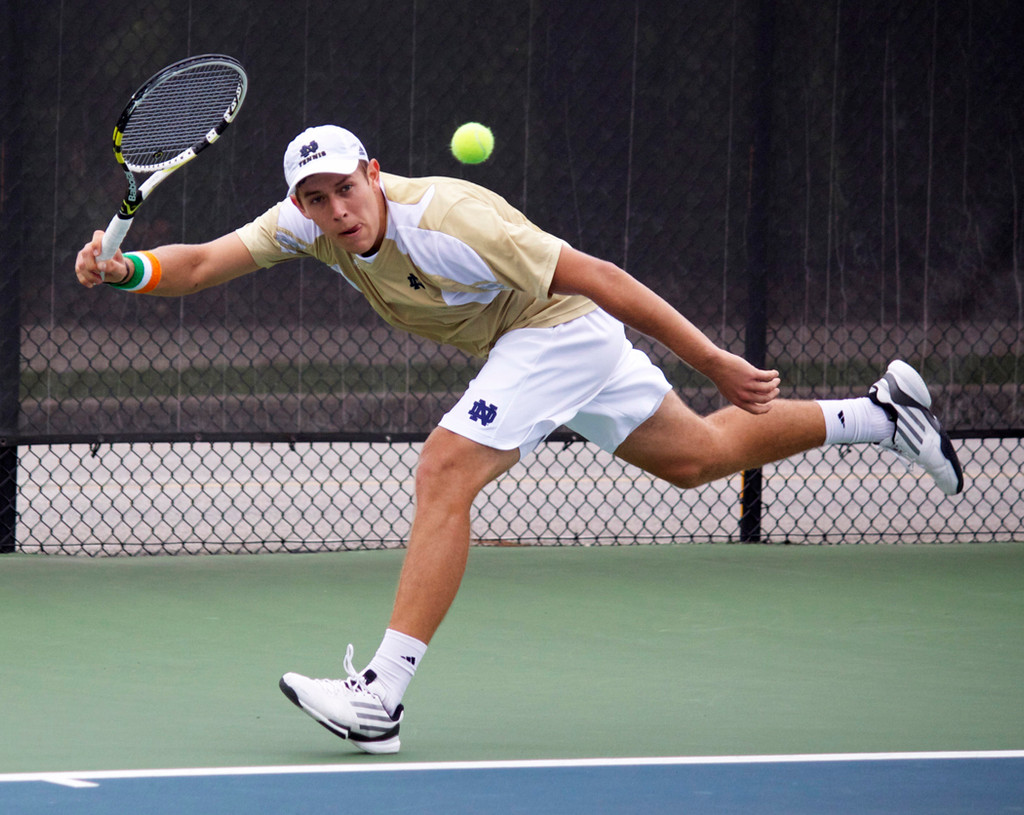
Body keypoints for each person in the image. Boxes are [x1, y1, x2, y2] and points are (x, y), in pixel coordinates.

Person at [75, 124, 964, 754]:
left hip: (559, 327)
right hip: (523, 343)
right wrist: (125, 271)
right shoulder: (304, 227)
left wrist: (712, 358)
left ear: (373, 175)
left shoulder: (456, 219)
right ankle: (881, 414)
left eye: (345, 187)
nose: (335, 209)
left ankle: (380, 693)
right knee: (697, 458)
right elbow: (196, 264)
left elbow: (605, 279)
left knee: (444, 470)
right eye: (315, 197)